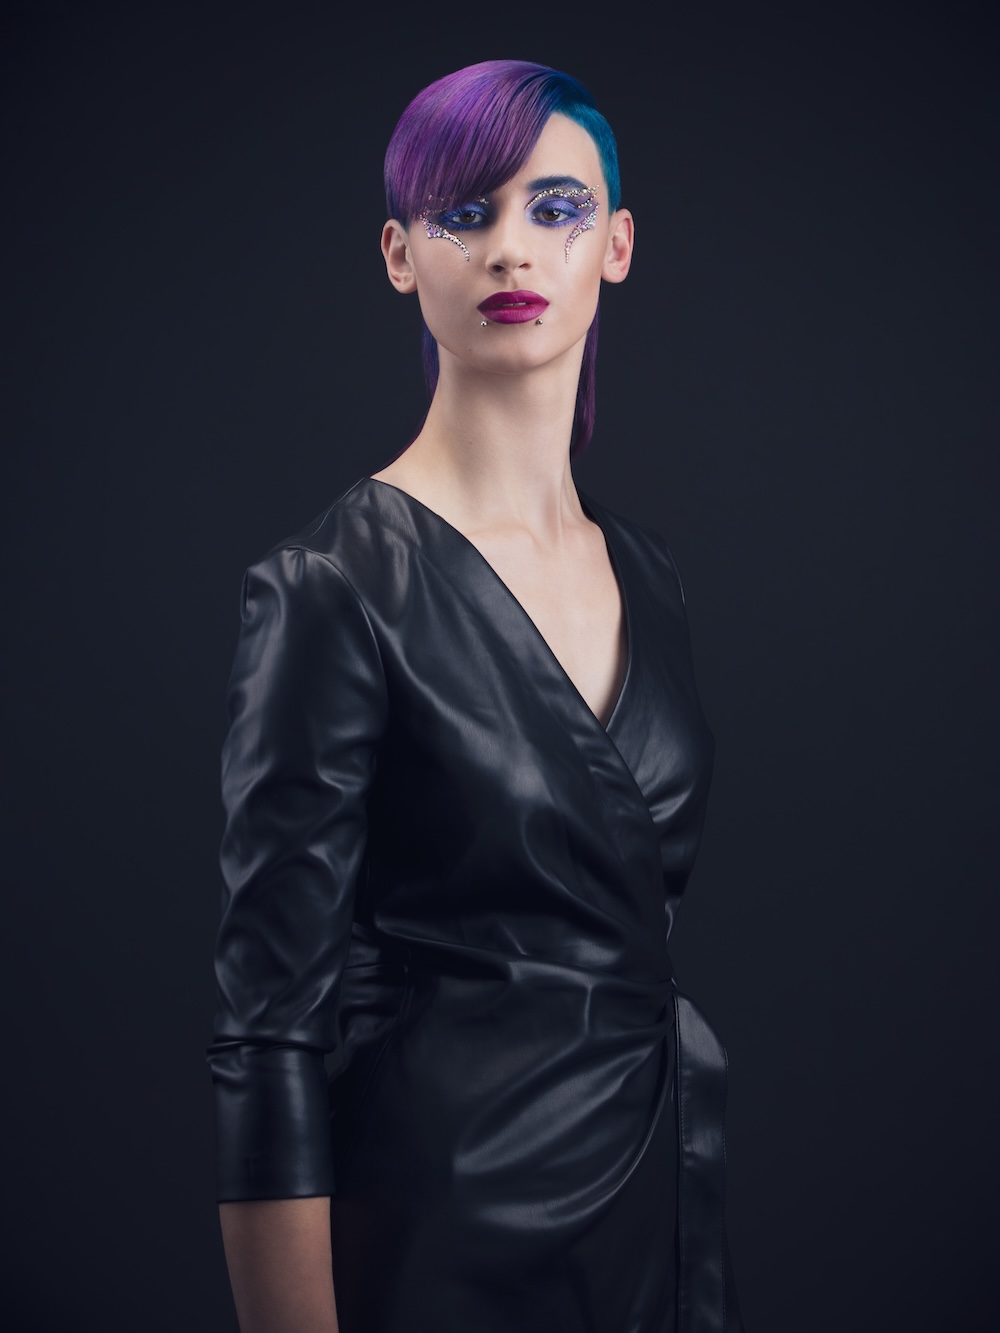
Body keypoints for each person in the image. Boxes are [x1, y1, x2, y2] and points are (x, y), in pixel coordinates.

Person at [208, 59, 745, 1333]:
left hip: (657, 1199)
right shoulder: (333, 584)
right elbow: (266, 1033)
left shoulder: (648, 574)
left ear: (617, 246)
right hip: (440, 1227)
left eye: (556, 209)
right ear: (401, 255)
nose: (511, 247)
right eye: (464, 213)